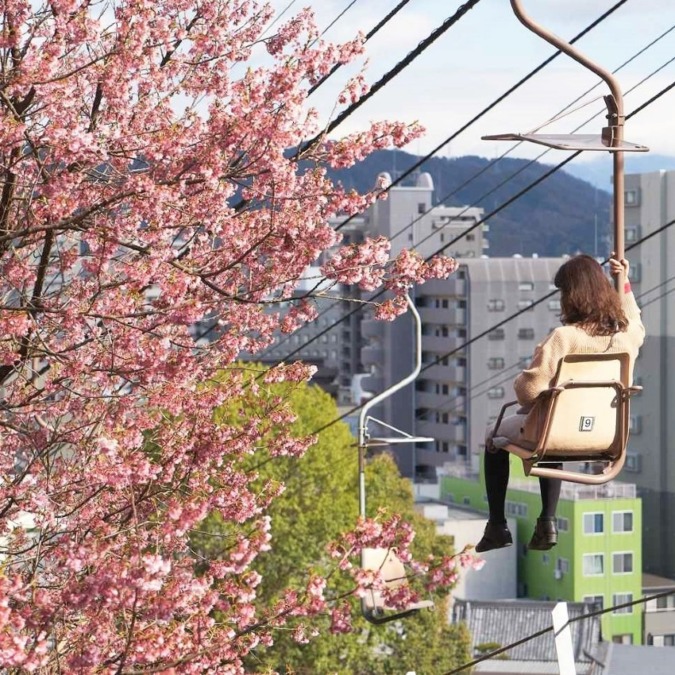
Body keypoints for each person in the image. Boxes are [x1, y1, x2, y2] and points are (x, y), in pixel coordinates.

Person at [475, 255, 645, 553]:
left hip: (555, 432)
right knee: (550, 422)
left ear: (573, 296)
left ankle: (497, 525)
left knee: (497, 434)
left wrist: (526, 378)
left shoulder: (564, 338)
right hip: (607, 435)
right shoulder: (627, 337)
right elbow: (635, 320)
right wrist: (625, 282)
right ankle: (547, 521)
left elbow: (528, 391)